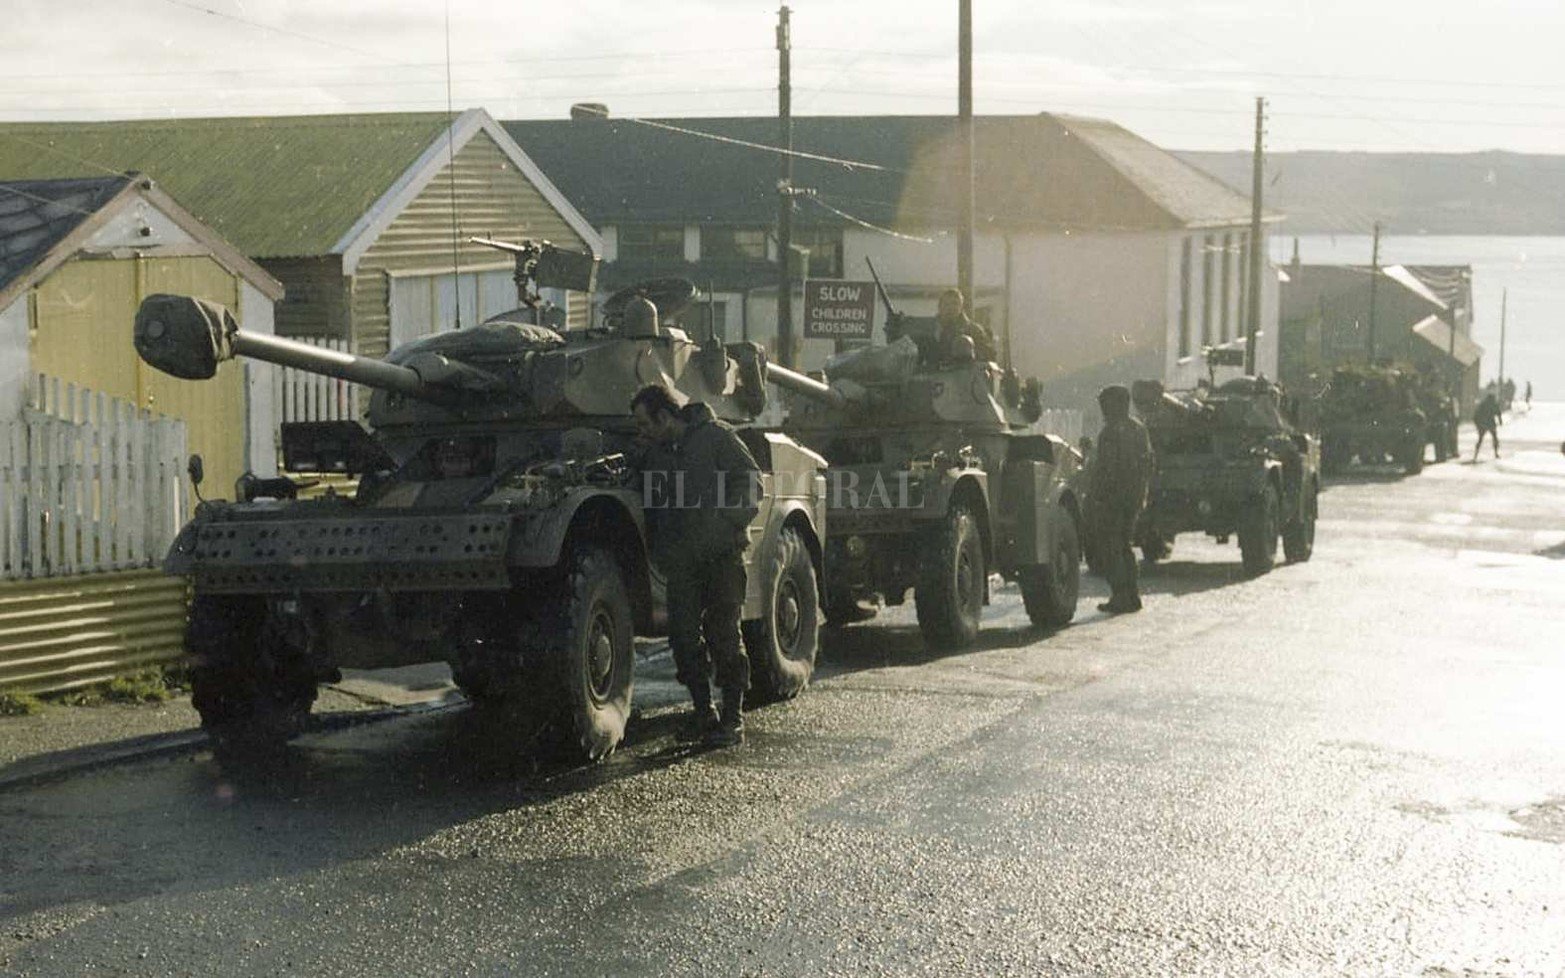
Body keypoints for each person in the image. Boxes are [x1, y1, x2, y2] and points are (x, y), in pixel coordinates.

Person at [631, 383, 761, 747]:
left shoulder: (716, 437)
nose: (641, 432)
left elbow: (749, 479)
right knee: (684, 639)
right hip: (682, 561)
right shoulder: (655, 453)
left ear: (664, 416)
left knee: (724, 637)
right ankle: (704, 714)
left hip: (722, 556)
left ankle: (733, 720)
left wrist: (728, 520)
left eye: (645, 423)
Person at [1088, 384, 1154, 613]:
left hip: (1113, 499)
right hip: (1133, 497)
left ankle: (1120, 595)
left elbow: (1106, 469)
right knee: (1125, 545)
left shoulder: (1111, 432)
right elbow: (1149, 464)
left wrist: (1097, 493)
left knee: (1111, 547)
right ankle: (1131, 595)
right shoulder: (1138, 428)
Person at [935, 288, 999, 364]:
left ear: (961, 307)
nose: (950, 308)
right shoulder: (930, 330)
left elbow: (988, 358)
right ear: (940, 307)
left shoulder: (974, 331)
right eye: (946, 304)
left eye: (955, 303)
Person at [1473, 391, 1501, 460]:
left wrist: (1477, 424)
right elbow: (1498, 413)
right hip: (1490, 423)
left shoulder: (1483, 404)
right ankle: (1496, 453)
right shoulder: (1494, 404)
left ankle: (1475, 455)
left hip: (1483, 423)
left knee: (1480, 439)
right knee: (1494, 438)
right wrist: (1500, 421)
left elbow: (1476, 414)